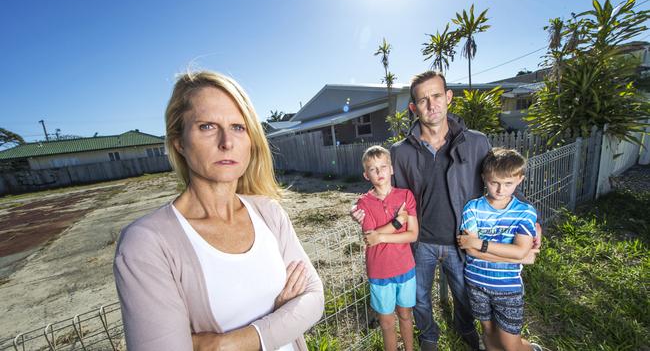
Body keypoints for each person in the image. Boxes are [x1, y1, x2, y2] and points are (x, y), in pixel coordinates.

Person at [113, 70, 324, 351]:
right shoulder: (146, 244)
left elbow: (314, 299)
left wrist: (230, 343)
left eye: (238, 127)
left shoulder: (268, 214)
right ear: (178, 141)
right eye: (207, 127)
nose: (227, 142)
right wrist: (281, 316)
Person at [351, 70, 541, 351]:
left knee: (464, 294)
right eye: (423, 100)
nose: (431, 104)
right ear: (414, 107)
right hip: (421, 241)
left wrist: (531, 218)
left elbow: (499, 177)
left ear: (448, 97)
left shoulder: (476, 141)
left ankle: (465, 329)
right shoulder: (401, 152)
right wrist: (363, 208)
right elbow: (391, 194)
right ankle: (428, 333)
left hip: (460, 238)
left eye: (437, 95)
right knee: (419, 297)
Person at [456, 148, 542, 351]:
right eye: (494, 182)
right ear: (484, 178)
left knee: (510, 345)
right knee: (488, 334)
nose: (500, 189)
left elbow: (519, 251)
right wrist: (514, 254)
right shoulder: (473, 208)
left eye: (508, 184)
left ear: (519, 180)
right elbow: (471, 252)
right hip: (476, 283)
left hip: (507, 287)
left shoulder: (524, 211)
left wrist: (480, 244)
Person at [356, 145, 419, 351]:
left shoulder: (405, 196)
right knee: (387, 322)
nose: (379, 172)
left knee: (405, 314)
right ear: (366, 175)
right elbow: (370, 238)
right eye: (373, 169)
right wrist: (398, 223)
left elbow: (413, 235)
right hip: (380, 271)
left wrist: (382, 235)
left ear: (391, 169)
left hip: (405, 268)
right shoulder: (363, 203)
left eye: (383, 166)